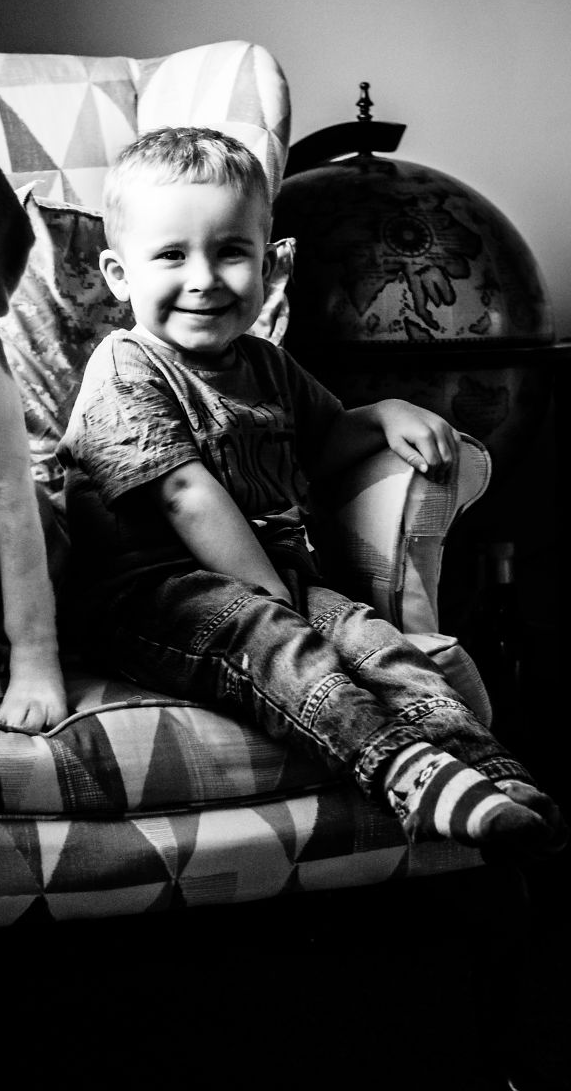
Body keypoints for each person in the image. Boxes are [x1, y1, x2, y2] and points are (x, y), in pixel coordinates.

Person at [57, 126, 566, 855]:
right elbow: (183, 495)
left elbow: (323, 444)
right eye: (171, 255)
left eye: (231, 252)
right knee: (271, 639)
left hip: (278, 577)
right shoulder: (125, 367)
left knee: (372, 638)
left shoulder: (265, 363)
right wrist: (281, 603)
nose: (204, 278)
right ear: (116, 273)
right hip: (148, 595)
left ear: (266, 265)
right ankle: (406, 771)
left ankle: (485, 769)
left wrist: (380, 414)